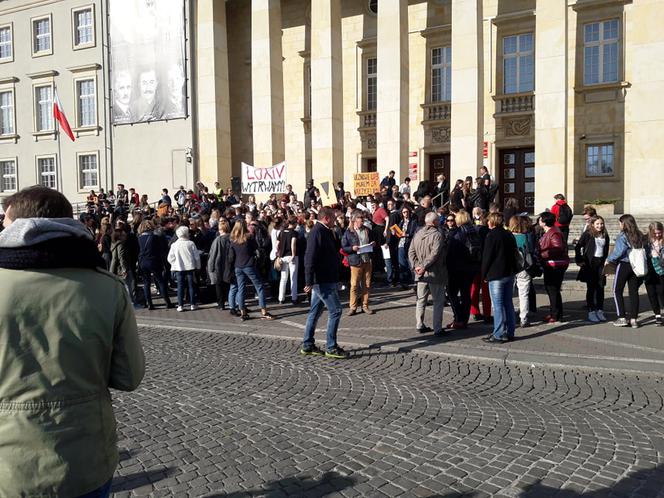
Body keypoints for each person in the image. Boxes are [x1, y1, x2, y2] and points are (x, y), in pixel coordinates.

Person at [0, 186, 144, 497]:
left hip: (9, 463)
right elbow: (129, 375)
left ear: (16, 227)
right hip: (85, 458)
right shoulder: (108, 287)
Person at [301, 207, 347, 359]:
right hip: (322, 280)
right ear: (326, 218)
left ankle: (307, 344)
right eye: (334, 217)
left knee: (314, 311)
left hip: (327, 278)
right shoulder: (317, 232)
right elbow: (309, 257)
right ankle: (331, 346)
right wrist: (308, 280)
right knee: (336, 310)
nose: (336, 220)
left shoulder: (327, 231)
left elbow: (334, 250)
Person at [408, 212, 448, 336]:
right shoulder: (437, 235)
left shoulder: (418, 233)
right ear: (435, 222)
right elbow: (434, 254)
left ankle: (419, 324)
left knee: (421, 300)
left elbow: (411, 252)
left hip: (420, 273)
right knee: (438, 301)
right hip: (434, 273)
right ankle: (437, 328)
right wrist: (422, 266)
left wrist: (416, 266)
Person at [481, 212, 518, 343]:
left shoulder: (492, 235)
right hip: (509, 272)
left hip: (496, 274)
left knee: (498, 305)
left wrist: (484, 274)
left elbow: (487, 257)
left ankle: (499, 333)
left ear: (491, 222)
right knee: (508, 303)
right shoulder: (508, 234)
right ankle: (510, 331)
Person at [230, 220, 274, 321]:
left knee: (241, 288)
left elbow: (232, 255)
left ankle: (243, 312)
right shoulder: (249, 237)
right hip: (249, 265)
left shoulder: (233, 239)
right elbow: (256, 248)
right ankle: (263, 310)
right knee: (259, 287)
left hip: (238, 266)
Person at [608, 214, 645, 328]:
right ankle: (634, 319)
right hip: (636, 266)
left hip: (624, 264)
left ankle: (622, 317)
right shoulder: (639, 234)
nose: (619, 225)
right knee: (633, 292)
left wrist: (609, 259)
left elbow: (619, 252)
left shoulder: (623, 236)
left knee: (617, 290)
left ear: (624, 224)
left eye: (620, 223)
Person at [445, 210, 479, 329]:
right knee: (466, 294)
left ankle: (458, 318)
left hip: (458, 268)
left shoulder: (459, 233)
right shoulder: (475, 230)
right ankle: (463, 319)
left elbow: (452, 251)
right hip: (471, 267)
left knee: (451, 293)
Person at [575, 216, 610, 323]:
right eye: (597, 224)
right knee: (591, 288)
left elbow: (606, 250)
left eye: (601, 224)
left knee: (600, 287)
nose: (600, 226)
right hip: (590, 264)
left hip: (600, 264)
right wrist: (579, 260)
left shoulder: (605, 235)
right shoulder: (588, 234)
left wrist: (607, 265)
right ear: (593, 225)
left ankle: (600, 310)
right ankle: (591, 311)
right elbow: (578, 246)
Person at [342, 210, 376, 315]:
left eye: (363, 219)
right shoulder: (349, 232)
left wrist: (373, 243)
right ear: (354, 220)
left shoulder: (367, 230)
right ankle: (353, 307)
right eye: (360, 219)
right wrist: (352, 248)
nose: (362, 221)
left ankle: (365, 306)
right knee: (354, 285)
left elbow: (373, 240)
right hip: (355, 261)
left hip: (367, 260)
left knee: (366, 284)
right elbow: (344, 247)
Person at [538, 211, 569, 323]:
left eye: (540, 219)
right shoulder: (550, 232)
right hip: (551, 264)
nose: (538, 220)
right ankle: (555, 313)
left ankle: (555, 315)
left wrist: (542, 254)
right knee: (552, 289)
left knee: (553, 289)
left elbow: (557, 248)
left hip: (555, 265)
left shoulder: (554, 233)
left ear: (544, 221)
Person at [137, 219, 173, 310]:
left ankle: (149, 303)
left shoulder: (139, 238)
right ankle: (167, 301)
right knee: (160, 281)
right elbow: (160, 250)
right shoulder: (154, 237)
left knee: (146, 283)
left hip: (143, 262)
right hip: (153, 261)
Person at [510, 215, 537, 327]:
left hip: (511, 268)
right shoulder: (526, 237)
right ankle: (523, 318)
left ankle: (510, 315)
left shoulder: (509, 237)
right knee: (524, 294)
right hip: (525, 267)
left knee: (509, 294)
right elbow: (532, 250)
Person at [167, 225, 201, 312]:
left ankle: (180, 305)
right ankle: (193, 304)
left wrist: (174, 264)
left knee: (180, 287)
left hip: (179, 268)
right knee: (191, 286)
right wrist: (198, 266)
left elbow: (170, 258)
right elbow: (197, 257)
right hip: (190, 267)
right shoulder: (191, 243)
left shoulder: (174, 245)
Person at [207, 219, 233, 310]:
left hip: (219, 265)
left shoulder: (217, 240)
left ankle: (221, 304)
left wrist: (210, 267)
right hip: (229, 265)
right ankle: (231, 302)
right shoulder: (232, 238)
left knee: (219, 285)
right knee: (229, 285)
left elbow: (212, 254)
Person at [277, 216, 299, 305]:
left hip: (282, 257)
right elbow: (293, 244)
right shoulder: (294, 233)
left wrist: (278, 255)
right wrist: (293, 254)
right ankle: (294, 298)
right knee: (293, 278)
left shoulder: (281, 232)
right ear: (293, 223)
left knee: (283, 278)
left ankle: (281, 298)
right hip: (291, 256)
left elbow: (277, 244)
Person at [645, 222, 664, 326]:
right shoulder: (645, 240)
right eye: (655, 233)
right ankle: (657, 315)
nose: (657, 235)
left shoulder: (663, 241)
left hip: (661, 269)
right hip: (648, 269)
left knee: (661, 292)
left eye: (659, 233)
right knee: (651, 293)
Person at [397, 206, 417, 289]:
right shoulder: (401, 222)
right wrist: (395, 232)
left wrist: (407, 235)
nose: (405, 213)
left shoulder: (413, 221)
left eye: (407, 212)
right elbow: (399, 233)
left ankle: (416, 282)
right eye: (404, 212)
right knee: (402, 264)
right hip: (401, 244)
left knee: (411, 263)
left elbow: (415, 233)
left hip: (409, 244)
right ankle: (404, 283)